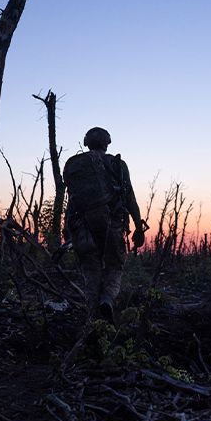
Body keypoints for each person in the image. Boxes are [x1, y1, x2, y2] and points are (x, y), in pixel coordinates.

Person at [63, 127, 147, 322]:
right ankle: (107, 300)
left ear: (87, 142)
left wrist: (68, 228)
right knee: (114, 267)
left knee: (91, 269)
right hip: (112, 223)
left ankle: (92, 316)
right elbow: (130, 198)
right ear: (106, 143)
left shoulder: (77, 166)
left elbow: (72, 200)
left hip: (82, 225)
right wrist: (139, 227)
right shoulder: (117, 164)